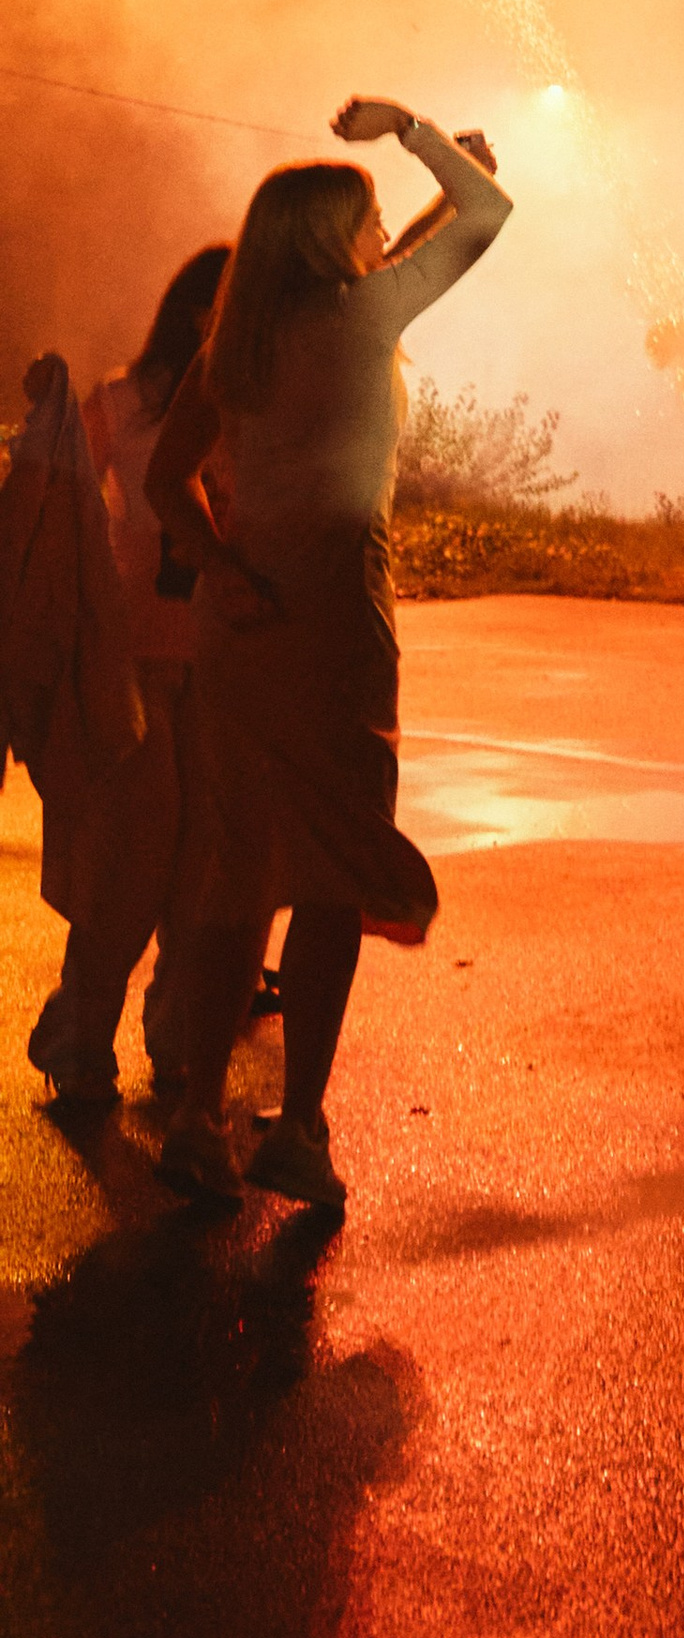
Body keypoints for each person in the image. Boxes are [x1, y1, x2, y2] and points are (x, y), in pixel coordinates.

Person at [146, 100, 512, 1211]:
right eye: (360, 227)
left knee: (235, 871)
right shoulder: (365, 318)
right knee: (331, 875)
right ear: (331, 244)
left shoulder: (239, 344)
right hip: (334, 625)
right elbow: (489, 216)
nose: (373, 241)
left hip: (243, 630)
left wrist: (221, 566)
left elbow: (167, 485)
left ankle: (197, 1117)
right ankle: (299, 1125)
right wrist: (414, 133)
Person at [24, 245, 231, 1105]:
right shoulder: (122, 400)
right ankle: (79, 1030)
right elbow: (58, 494)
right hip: (135, 649)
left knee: (204, 856)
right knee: (140, 854)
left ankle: (175, 1033)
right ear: (195, 313)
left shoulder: (250, 404)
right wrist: (45, 412)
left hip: (223, 654)